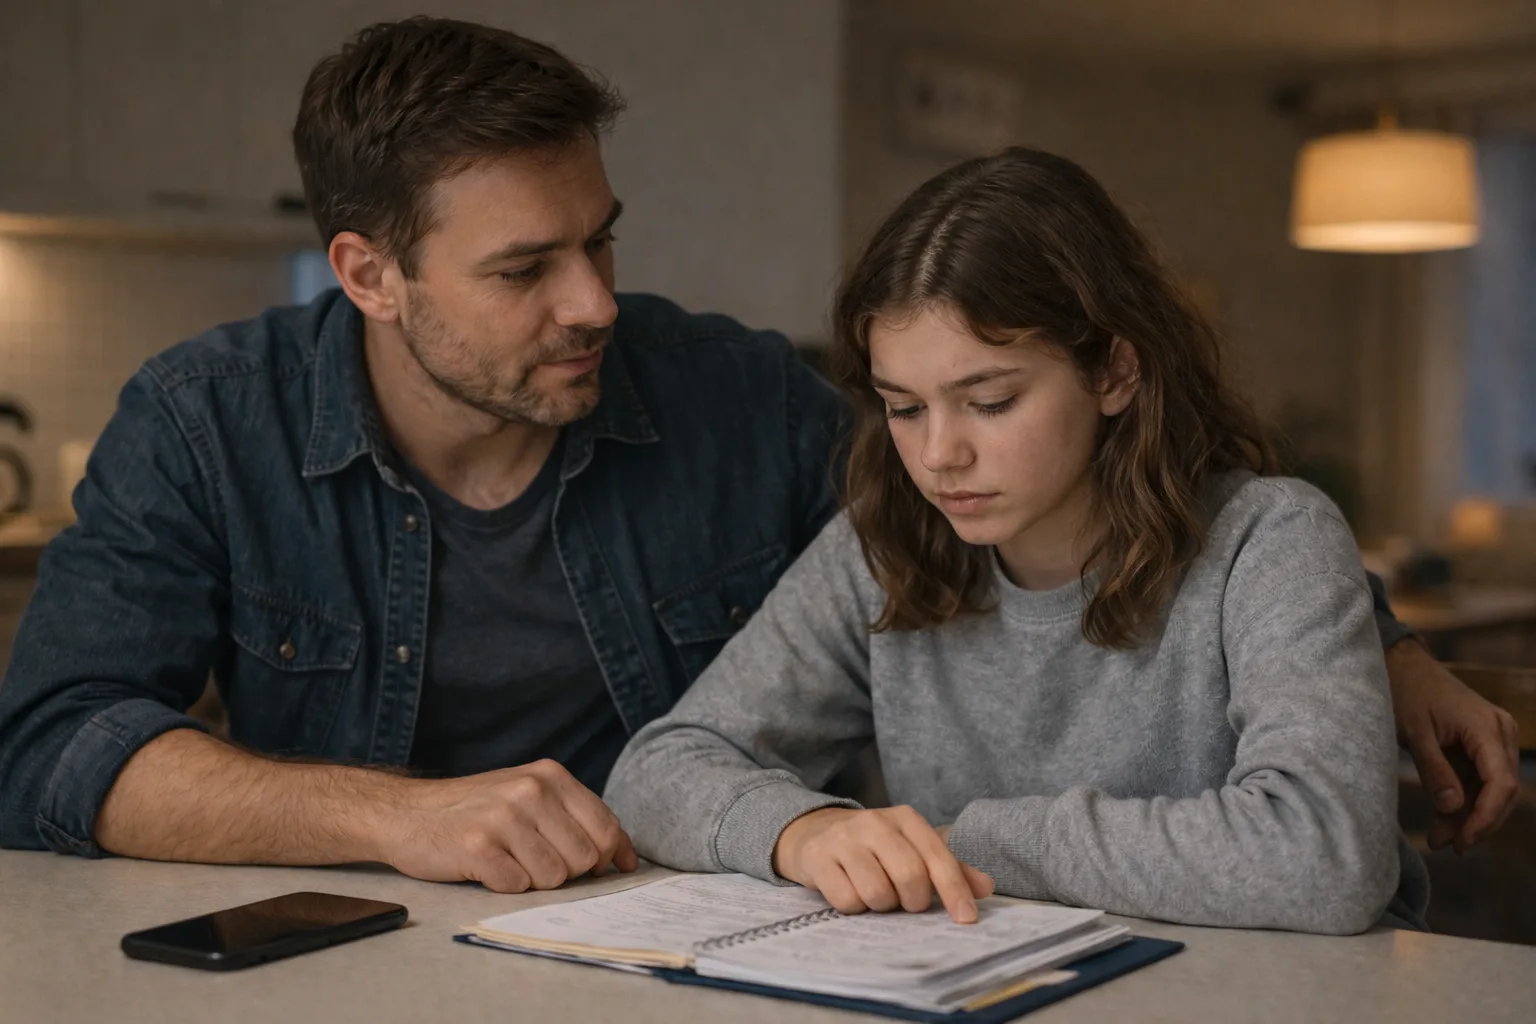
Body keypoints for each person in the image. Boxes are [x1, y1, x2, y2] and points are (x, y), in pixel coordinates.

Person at [0, 20, 1516, 894]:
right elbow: (49, 750)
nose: (595, 302)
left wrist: (1371, 650)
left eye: (601, 242)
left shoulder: (732, 396)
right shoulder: (204, 421)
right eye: (528, 271)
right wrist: (398, 816)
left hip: (656, 939)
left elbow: (1050, 486)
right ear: (367, 273)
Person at [605, 147, 1466, 934]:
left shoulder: (1270, 540)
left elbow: (1327, 857)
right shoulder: (878, 549)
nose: (939, 455)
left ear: (1115, 373)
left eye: (990, 402)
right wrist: (799, 829)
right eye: (904, 408)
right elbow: (656, 771)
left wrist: (978, 840)